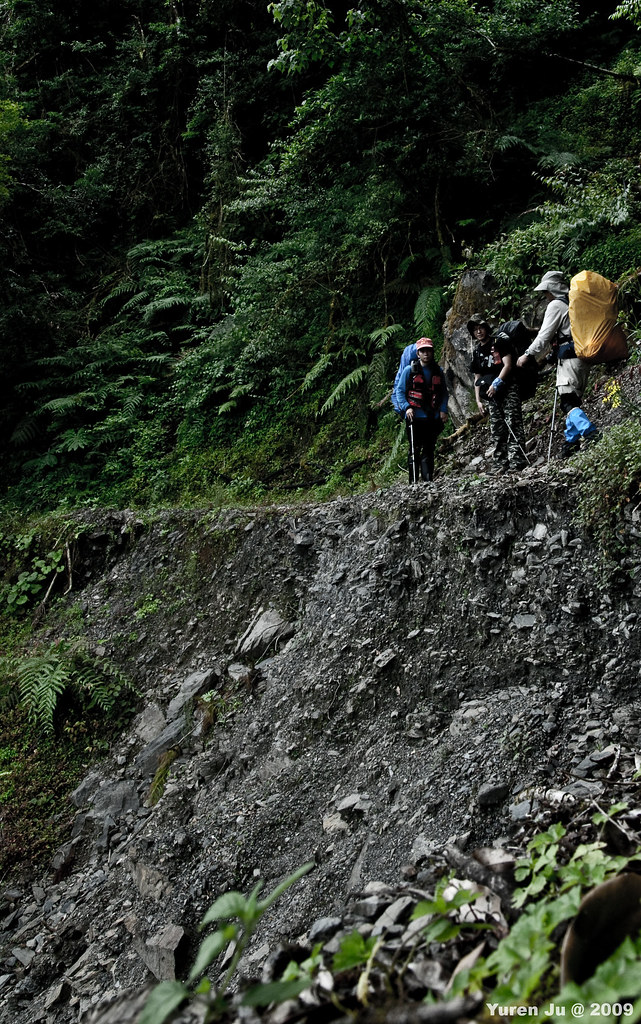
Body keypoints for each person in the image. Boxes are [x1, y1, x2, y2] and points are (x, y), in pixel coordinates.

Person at [516, 271, 598, 455]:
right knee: (573, 400)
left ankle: (591, 433)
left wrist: (527, 354)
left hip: (569, 358)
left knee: (567, 401)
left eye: (545, 291)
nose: (545, 296)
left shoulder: (556, 305)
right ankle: (571, 443)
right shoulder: (574, 300)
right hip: (583, 356)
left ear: (551, 289)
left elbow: (544, 335)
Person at [468, 313, 527, 474]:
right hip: (491, 395)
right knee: (497, 428)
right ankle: (501, 463)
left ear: (486, 328)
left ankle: (517, 461)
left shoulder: (499, 342)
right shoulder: (477, 352)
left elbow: (507, 364)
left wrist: (498, 382)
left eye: (481, 328)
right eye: (475, 330)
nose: (479, 332)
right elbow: (477, 378)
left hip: (508, 388)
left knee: (513, 422)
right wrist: (479, 400)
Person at [392, 337, 448, 483]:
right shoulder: (408, 371)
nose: (426, 354)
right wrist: (406, 407)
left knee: (429, 450)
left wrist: (443, 410)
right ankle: (413, 483)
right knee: (414, 450)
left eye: (428, 350)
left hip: (432, 417)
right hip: (414, 417)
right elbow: (400, 391)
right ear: (418, 353)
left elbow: (443, 392)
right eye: (423, 351)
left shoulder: (438, 371)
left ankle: (428, 480)